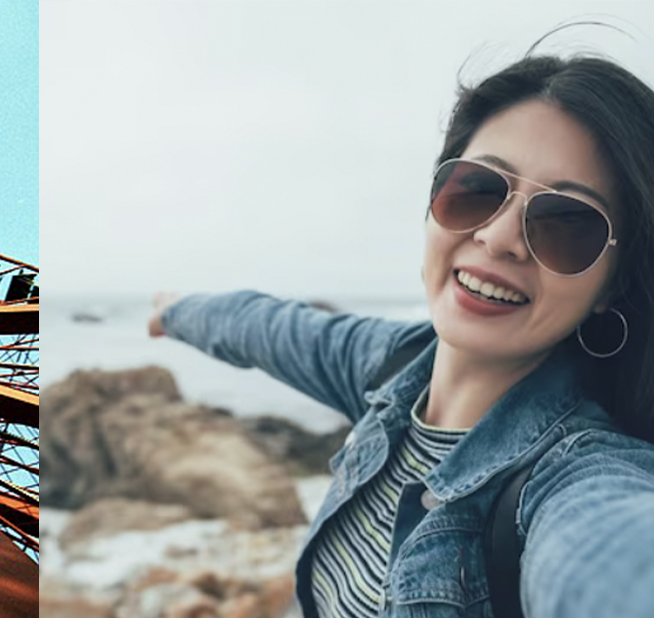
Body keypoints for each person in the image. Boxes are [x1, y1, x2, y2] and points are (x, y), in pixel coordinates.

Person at [148, 48, 654, 618]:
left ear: (612, 284)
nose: (498, 237)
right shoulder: (392, 368)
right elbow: (268, 328)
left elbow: (616, 559)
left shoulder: (576, 481)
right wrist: (176, 309)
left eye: (567, 221)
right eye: (478, 188)